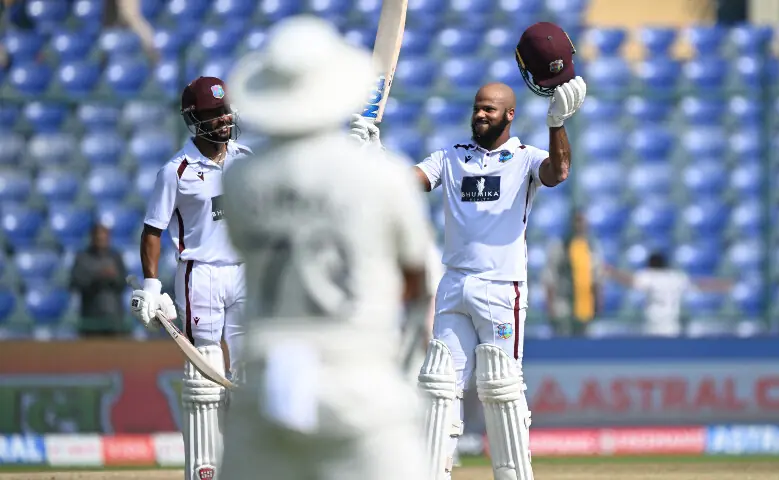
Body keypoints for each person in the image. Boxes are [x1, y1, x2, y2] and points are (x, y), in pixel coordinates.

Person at [350, 20, 587, 480]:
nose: (480, 115)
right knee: (438, 382)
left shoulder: (523, 157)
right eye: (477, 108)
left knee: (501, 386)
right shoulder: (450, 156)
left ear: (509, 115)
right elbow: (403, 185)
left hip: (502, 288)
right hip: (454, 283)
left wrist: (557, 124)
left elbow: (559, 173)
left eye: (490, 110)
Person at [219, 16, 434, 480]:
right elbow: (417, 282)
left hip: (268, 386)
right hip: (357, 375)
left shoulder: (238, 181)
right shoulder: (384, 176)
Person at [128, 75, 251, 480]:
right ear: (193, 119)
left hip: (244, 270)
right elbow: (153, 231)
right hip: (201, 274)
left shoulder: (245, 158)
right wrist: (151, 284)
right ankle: (204, 470)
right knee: (206, 374)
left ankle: (250, 464)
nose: (223, 120)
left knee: (249, 371)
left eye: (225, 111)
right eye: (213, 115)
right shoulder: (175, 171)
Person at [605, 252, 733, 336]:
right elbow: (699, 284)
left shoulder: (649, 276)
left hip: (653, 326)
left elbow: (631, 281)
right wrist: (722, 285)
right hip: (673, 327)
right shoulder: (676, 277)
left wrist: (612, 272)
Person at [542, 210, 605, 336]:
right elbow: (549, 277)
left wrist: (599, 302)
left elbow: (598, 278)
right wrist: (550, 305)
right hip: (563, 303)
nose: (580, 225)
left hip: (585, 304)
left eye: (582, 221)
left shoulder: (592, 247)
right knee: (563, 339)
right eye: (577, 221)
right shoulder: (560, 246)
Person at [69, 224, 129, 337]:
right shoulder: (83, 257)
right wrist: (97, 277)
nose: (100, 239)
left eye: (103, 236)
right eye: (97, 237)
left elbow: (123, 282)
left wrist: (113, 277)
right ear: (92, 237)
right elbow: (74, 283)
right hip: (90, 318)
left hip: (113, 317)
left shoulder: (115, 257)